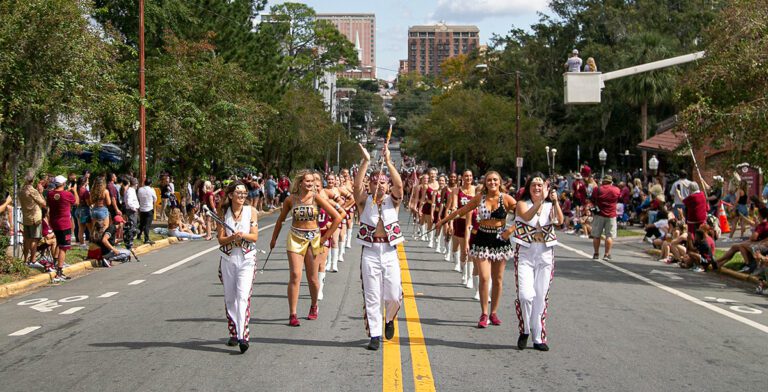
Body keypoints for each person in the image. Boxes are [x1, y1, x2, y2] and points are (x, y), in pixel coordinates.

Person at [438, 171, 516, 328]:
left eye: (495, 180)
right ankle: (484, 313)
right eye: (489, 180)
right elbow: (462, 210)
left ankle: (494, 312)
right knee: (484, 277)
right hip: (482, 239)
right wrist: (444, 221)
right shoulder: (480, 198)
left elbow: (523, 216)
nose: (492, 182)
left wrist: (511, 230)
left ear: (499, 182)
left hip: (500, 240)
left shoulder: (506, 199)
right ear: (485, 182)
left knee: (498, 279)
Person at [270, 170, 341, 327]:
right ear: (300, 183)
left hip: (312, 239)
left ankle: (314, 305)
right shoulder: (291, 199)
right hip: (295, 238)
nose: (310, 184)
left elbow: (337, 217)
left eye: (312, 181)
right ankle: (292, 314)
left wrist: (324, 238)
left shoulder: (317, 198)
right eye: (307, 181)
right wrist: (274, 239)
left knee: (313, 278)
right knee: (295, 275)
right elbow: (280, 220)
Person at [353, 143, 404, 351]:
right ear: (370, 185)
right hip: (371, 251)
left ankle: (389, 318)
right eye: (375, 182)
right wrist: (366, 161)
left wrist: (389, 162)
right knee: (372, 294)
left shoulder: (393, 201)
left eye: (383, 182)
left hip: (390, 251)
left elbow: (399, 187)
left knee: (393, 294)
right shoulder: (365, 202)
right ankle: (374, 334)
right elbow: (356, 188)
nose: (380, 185)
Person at [506, 173, 563, 351]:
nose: (537, 188)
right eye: (534, 186)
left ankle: (538, 337)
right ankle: (525, 330)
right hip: (525, 253)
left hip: (545, 253)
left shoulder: (549, 204)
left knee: (540, 297)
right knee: (525, 295)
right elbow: (528, 217)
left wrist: (555, 201)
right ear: (528, 188)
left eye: (540, 185)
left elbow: (559, 221)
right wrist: (542, 200)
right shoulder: (523, 204)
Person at [216, 181, 259, 353]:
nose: (242, 196)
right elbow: (220, 239)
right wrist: (231, 238)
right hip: (228, 259)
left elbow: (254, 236)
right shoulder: (223, 213)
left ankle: (243, 336)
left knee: (242, 297)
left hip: (247, 258)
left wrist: (243, 236)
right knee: (230, 298)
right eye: (238, 193)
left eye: (244, 193)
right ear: (231, 195)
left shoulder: (251, 212)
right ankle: (234, 332)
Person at [47, 175, 79, 282]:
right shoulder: (67, 194)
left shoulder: (50, 194)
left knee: (59, 242)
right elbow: (76, 202)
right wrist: (74, 191)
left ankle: (55, 263)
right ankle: (59, 271)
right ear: (64, 184)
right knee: (63, 247)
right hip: (64, 223)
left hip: (54, 222)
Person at [19, 172, 47, 266]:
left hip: (26, 218)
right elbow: (43, 203)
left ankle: (25, 260)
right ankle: (33, 260)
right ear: (33, 180)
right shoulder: (33, 191)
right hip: (35, 218)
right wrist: (40, 193)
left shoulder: (21, 190)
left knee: (26, 239)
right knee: (34, 239)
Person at [590, 175, 620, 260]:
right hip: (611, 215)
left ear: (603, 181)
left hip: (599, 214)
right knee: (609, 236)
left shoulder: (597, 189)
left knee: (596, 236)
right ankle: (607, 254)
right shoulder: (616, 190)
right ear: (611, 182)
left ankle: (596, 254)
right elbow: (619, 198)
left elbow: (592, 199)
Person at [137, 178, 157, 245]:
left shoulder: (140, 189)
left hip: (142, 209)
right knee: (147, 225)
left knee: (142, 224)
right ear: (150, 184)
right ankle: (146, 239)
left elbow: (138, 198)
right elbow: (155, 199)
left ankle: (138, 235)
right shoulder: (151, 190)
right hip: (149, 209)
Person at [123, 177, 140, 250]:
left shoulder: (131, 190)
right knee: (132, 227)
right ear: (135, 184)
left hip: (132, 210)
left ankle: (130, 242)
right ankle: (129, 243)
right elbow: (129, 202)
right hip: (131, 210)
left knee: (133, 226)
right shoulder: (130, 191)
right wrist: (134, 208)